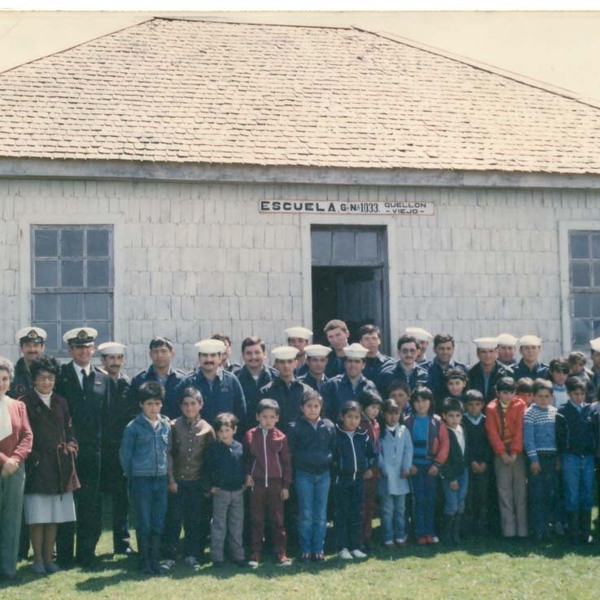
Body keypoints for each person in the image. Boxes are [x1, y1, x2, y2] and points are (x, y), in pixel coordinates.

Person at [55, 327, 110, 569]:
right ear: (70, 350)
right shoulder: (60, 375)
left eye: (88, 347)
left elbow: (106, 417)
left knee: (91, 503)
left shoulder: (102, 378)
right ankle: (65, 555)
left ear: (93, 349)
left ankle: (87, 553)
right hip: (67, 450)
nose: (84, 351)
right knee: (66, 502)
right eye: (78, 347)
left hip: (93, 452)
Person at [22, 355, 76, 576]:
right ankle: (37, 559)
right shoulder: (24, 402)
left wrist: (72, 447)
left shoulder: (61, 402)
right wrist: (32, 456)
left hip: (58, 466)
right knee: (37, 516)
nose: (46, 382)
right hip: (36, 466)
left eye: (50, 378)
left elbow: (70, 430)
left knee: (54, 514)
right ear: (34, 380)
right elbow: (21, 434)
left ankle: (48, 557)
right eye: (42, 378)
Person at [120, 381, 171, 575]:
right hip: (141, 480)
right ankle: (143, 561)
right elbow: (125, 455)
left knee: (158, 521)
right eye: (149, 404)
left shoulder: (166, 425)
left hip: (160, 479)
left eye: (157, 404)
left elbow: (168, 451)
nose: (154, 408)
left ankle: (154, 559)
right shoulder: (133, 427)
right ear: (141, 404)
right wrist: (132, 475)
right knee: (144, 522)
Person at [163, 387, 215, 570]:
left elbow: (210, 460)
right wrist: (171, 480)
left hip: (197, 483)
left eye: (193, 403)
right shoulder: (172, 426)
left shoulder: (208, 429)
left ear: (201, 405)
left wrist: (207, 484)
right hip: (177, 482)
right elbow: (168, 454)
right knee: (174, 519)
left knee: (195, 521)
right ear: (180, 406)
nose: (189, 407)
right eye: (185, 404)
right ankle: (169, 555)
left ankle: (192, 555)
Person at [287, 390, 336, 563]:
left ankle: (318, 549)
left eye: (316, 406)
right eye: (309, 406)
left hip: (324, 474)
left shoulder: (329, 426)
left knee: (321, 514)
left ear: (321, 407)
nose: (313, 409)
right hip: (304, 475)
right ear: (302, 408)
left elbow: (333, 449)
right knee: (306, 512)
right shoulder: (295, 427)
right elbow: (291, 453)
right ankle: (306, 549)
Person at [244, 399, 292, 567]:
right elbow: (246, 459)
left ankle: (280, 552)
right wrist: (247, 475)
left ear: (277, 418)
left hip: (275, 484)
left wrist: (286, 486)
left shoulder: (281, 437)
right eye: (264, 416)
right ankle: (256, 552)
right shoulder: (250, 435)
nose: (268, 420)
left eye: (272, 417)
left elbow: (286, 463)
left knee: (277, 519)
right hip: (256, 483)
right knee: (256, 519)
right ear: (257, 417)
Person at [97, 341, 134, 555]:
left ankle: (123, 543)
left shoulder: (127, 384)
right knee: (96, 500)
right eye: (111, 358)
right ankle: (91, 544)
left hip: (121, 449)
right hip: (101, 448)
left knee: (122, 499)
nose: (115, 362)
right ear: (103, 360)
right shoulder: (95, 381)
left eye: (118, 358)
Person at [0, 357, 32, 579]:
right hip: (5, 464)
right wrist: (4, 461)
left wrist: (15, 460)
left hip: (15, 470)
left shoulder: (18, 405)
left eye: (4, 379)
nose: (0, 383)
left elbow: (27, 436)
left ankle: (8, 568)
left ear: (10, 382)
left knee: (12, 519)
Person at [404, 385, 449, 545]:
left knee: (431, 499)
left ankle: (430, 531)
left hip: (431, 467)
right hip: (415, 467)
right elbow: (403, 446)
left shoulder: (437, 422)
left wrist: (437, 464)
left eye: (424, 401)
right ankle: (420, 532)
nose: (420, 404)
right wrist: (408, 464)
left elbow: (445, 445)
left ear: (430, 402)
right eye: (417, 401)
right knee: (419, 499)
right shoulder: (407, 421)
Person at [333, 401, 377, 560]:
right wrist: (337, 467)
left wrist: (369, 468)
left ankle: (355, 546)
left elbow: (373, 454)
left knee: (356, 514)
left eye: (356, 417)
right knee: (342, 514)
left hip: (358, 480)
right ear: (342, 417)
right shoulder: (336, 434)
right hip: (342, 481)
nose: (353, 421)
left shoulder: (363, 435)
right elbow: (332, 456)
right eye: (349, 417)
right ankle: (342, 547)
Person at [485, 377, 528, 539]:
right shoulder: (491, 408)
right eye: (504, 392)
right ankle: (509, 530)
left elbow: (520, 429)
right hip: (500, 452)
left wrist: (515, 452)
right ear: (498, 393)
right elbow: (492, 432)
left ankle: (522, 530)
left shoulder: (520, 405)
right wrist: (502, 453)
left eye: (511, 392)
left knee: (520, 490)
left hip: (518, 451)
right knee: (504, 491)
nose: (508, 396)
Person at [203, 413, 247, 568]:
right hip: (220, 492)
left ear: (234, 430)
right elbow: (206, 470)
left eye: (227, 430)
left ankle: (238, 555)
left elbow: (244, 467)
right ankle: (217, 557)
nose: (224, 434)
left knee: (237, 524)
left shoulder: (240, 447)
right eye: (221, 431)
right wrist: (209, 487)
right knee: (219, 525)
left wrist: (245, 481)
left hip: (237, 492)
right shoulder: (212, 449)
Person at [556, 376, 597, 544]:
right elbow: (559, 438)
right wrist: (560, 457)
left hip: (587, 458)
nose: (579, 397)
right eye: (575, 393)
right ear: (568, 393)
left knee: (587, 493)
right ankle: (573, 532)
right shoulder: (562, 412)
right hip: (570, 457)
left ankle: (585, 532)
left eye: (582, 393)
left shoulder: (591, 411)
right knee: (572, 494)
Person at [179, 338, 246, 430]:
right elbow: (178, 413)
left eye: (213, 355)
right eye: (205, 355)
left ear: (220, 358)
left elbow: (241, 413)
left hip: (224, 438)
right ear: (199, 358)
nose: (208, 359)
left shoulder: (231, 381)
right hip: (196, 439)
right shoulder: (187, 382)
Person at [523, 379, 558, 543]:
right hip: (538, 458)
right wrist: (533, 460)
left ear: (552, 397)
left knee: (550, 494)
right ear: (534, 396)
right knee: (537, 495)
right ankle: (537, 530)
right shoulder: (530, 413)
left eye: (546, 396)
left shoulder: (554, 412)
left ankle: (547, 529)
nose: (543, 399)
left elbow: (557, 437)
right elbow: (528, 439)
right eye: (539, 396)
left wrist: (558, 458)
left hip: (552, 458)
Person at [377, 398, 413, 548]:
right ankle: (388, 537)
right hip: (386, 477)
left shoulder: (404, 431)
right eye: (389, 414)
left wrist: (406, 467)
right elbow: (377, 451)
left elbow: (408, 450)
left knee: (400, 509)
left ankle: (400, 535)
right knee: (387, 510)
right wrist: (383, 468)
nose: (393, 417)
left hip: (400, 475)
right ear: (383, 414)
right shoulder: (380, 431)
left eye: (396, 413)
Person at [129, 337, 187, 420]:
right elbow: (133, 411)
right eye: (155, 351)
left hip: (177, 430)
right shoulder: (139, 380)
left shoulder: (182, 380)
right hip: (148, 431)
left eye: (163, 351)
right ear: (150, 354)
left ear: (172, 353)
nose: (159, 355)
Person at [461, 390, 493, 538]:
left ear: (482, 405)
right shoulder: (462, 421)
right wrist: (472, 461)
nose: (474, 408)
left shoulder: (487, 420)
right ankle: (468, 528)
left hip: (484, 465)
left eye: (477, 404)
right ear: (465, 406)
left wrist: (485, 461)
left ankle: (482, 527)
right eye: (470, 405)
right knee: (469, 496)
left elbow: (489, 442)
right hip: (469, 464)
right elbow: (465, 444)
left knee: (483, 496)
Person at [258, 346, 311, 433]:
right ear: (276, 364)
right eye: (282, 362)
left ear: (296, 363)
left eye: (290, 361)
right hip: (274, 440)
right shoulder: (266, 391)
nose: (286, 366)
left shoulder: (305, 390)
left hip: (300, 439)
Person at [322, 343, 378, 422]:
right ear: (344, 364)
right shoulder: (333, 385)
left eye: (357, 361)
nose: (353, 365)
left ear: (363, 365)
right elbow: (326, 414)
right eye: (350, 361)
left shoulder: (369, 386)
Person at [440, 398, 469, 546]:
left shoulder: (462, 428)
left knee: (461, 502)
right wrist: (451, 478)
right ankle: (446, 535)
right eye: (451, 416)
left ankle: (456, 533)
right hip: (450, 474)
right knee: (451, 504)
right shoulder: (444, 431)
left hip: (463, 471)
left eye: (457, 416)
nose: (454, 419)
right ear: (444, 416)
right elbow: (443, 458)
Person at [233, 337, 277, 432]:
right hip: (242, 434)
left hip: (271, 437)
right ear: (243, 356)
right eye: (249, 353)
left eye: (257, 352)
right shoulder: (234, 379)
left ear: (264, 354)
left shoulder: (276, 377)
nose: (253, 357)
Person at [358, 390, 382, 551]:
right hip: (362, 472)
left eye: (377, 408)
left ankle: (368, 536)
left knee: (370, 506)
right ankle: (358, 538)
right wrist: (365, 467)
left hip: (375, 471)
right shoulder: (360, 424)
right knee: (360, 506)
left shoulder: (376, 424)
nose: (374, 411)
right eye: (372, 407)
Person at [426, 334, 467, 410]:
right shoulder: (425, 369)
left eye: (448, 348)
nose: (445, 352)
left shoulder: (462, 369)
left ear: (453, 349)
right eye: (441, 348)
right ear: (434, 349)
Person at [467, 337, 513, 404]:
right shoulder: (471, 372)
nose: (488, 355)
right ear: (477, 353)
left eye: (491, 351)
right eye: (483, 352)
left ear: (496, 353)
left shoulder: (507, 373)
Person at [8, 327, 47, 399]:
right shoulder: (11, 374)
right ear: (21, 348)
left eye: (36, 345)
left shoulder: (50, 372)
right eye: (27, 345)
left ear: (42, 347)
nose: (32, 349)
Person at [358, 324, 394, 391]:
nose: (371, 342)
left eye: (374, 338)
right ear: (360, 342)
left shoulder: (391, 364)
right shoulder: (355, 364)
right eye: (366, 339)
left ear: (379, 341)